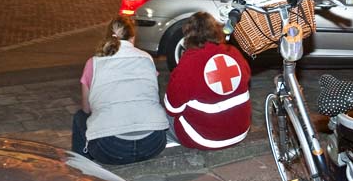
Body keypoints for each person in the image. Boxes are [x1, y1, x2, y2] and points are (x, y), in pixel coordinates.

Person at [72, 16, 169, 164]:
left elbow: (86, 109)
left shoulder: (93, 63)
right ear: (133, 37)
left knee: (79, 117)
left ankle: (82, 167)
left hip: (110, 148)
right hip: (153, 143)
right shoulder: (147, 58)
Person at [164, 12, 251, 150]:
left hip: (205, 138)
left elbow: (172, 107)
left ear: (188, 36)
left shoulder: (189, 62)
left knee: (162, 116)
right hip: (240, 130)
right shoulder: (233, 52)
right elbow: (246, 77)